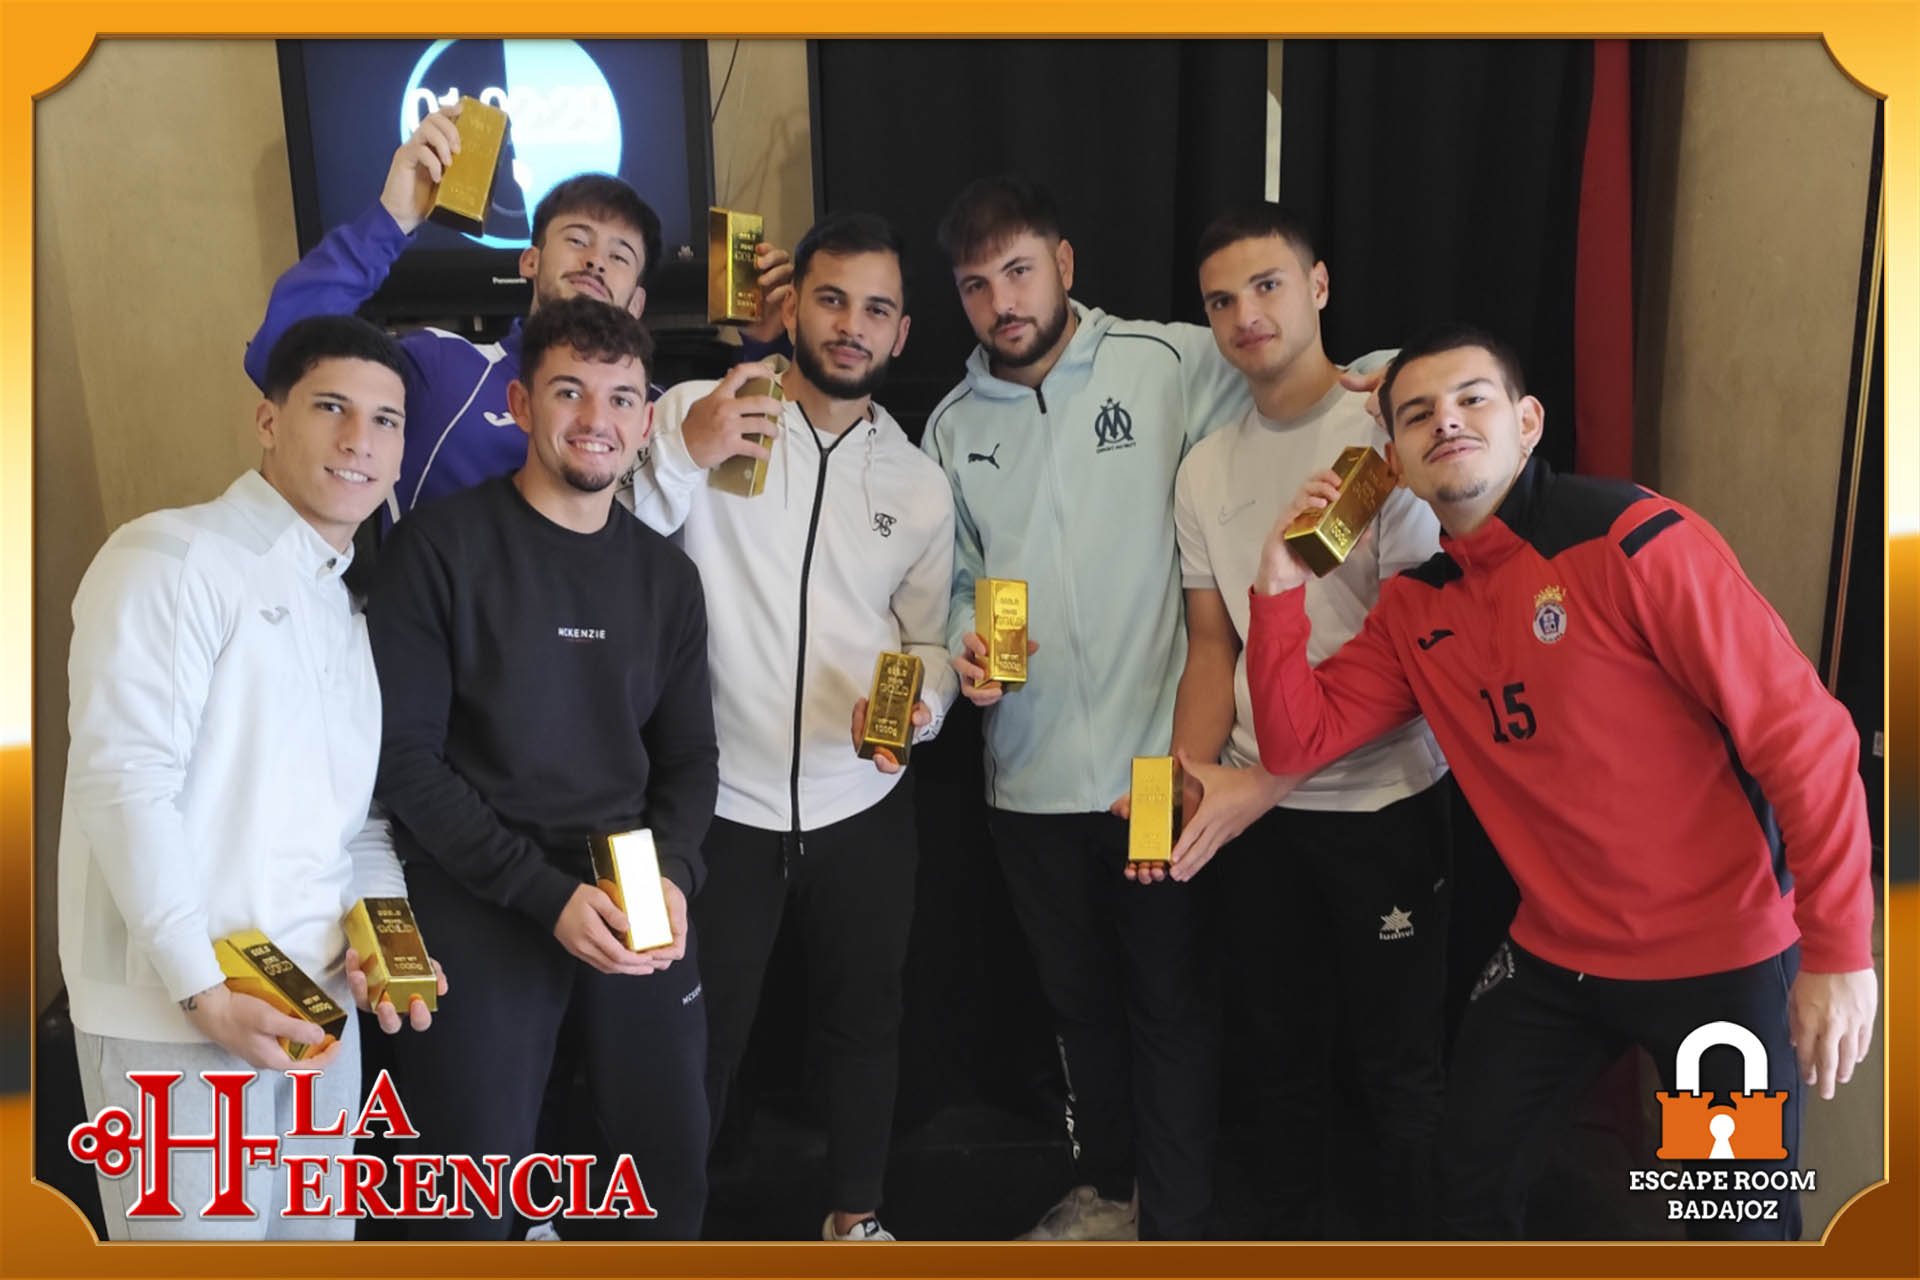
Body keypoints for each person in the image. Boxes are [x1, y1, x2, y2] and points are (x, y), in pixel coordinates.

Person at [1244, 324, 1878, 1240]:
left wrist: (1839, 952)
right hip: (1556, 960)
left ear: (1528, 423)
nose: (1446, 421)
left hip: (1720, 960)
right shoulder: (1416, 606)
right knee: (1468, 1181)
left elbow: (1806, 738)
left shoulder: (1632, 537)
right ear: (1394, 465)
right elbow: (1297, 739)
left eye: (1472, 400)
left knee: (1730, 1224)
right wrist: (1278, 582)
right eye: (1416, 414)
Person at [921, 173, 1390, 1241]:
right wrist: (963, 646)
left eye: (1020, 270)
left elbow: (1293, 370)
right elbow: (955, 581)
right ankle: (1108, 1192)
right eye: (976, 285)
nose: (1002, 302)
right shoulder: (949, 427)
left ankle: (1173, 1222)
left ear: (1064, 264)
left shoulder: (1169, 359)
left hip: (1159, 764)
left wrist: (1393, 385)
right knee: (1080, 1007)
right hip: (1029, 778)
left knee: (1171, 1004)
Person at [57, 315, 446, 1240]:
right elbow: (124, 782)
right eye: (331, 407)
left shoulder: (347, 610)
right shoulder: (169, 557)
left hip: (311, 1013)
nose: (360, 440)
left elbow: (358, 824)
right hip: (170, 1021)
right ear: (268, 420)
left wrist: (389, 945)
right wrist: (201, 990)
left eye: (386, 421)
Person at [621, 210, 955, 1243]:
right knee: (695, 1034)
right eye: (833, 300)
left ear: (902, 332)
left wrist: (921, 707)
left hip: (864, 803)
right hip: (713, 805)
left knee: (867, 1021)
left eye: (877, 309)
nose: (852, 326)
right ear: (793, 305)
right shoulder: (707, 409)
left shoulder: (918, 482)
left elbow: (928, 640)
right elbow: (606, 542)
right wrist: (683, 455)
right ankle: (658, 1230)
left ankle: (856, 1216)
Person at [366, 297, 718, 1240]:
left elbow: (690, 758)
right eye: (569, 392)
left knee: (667, 1168)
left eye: (621, 398)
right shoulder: (437, 549)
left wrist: (676, 874)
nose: (596, 418)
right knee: (469, 1186)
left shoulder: (667, 578)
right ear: (522, 405)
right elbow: (405, 762)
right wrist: (542, 894)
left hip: (628, 876)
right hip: (479, 883)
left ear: (646, 422)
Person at [1155, 204, 1450, 1238]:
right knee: (1274, 1064)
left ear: (1319, 285)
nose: (1246, 314)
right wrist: (1187, 782)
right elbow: (1213, 646)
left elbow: (1421, 654)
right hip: (1262, 824)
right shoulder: (1204, 468)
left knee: (1397, 1070)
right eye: (1220, 300)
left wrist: (1259, 782)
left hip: (1384, 802)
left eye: (1268, 284)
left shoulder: (1390, 436)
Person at [244, 101, 793, 524]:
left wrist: (765, 344)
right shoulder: (441, 365)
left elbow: (759, 504)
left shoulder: (664, 412)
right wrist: (393, 218)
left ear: (637, 302)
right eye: (577, 239)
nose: (595, 261)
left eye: (620, 256)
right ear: (530, 261)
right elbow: (280, 357)